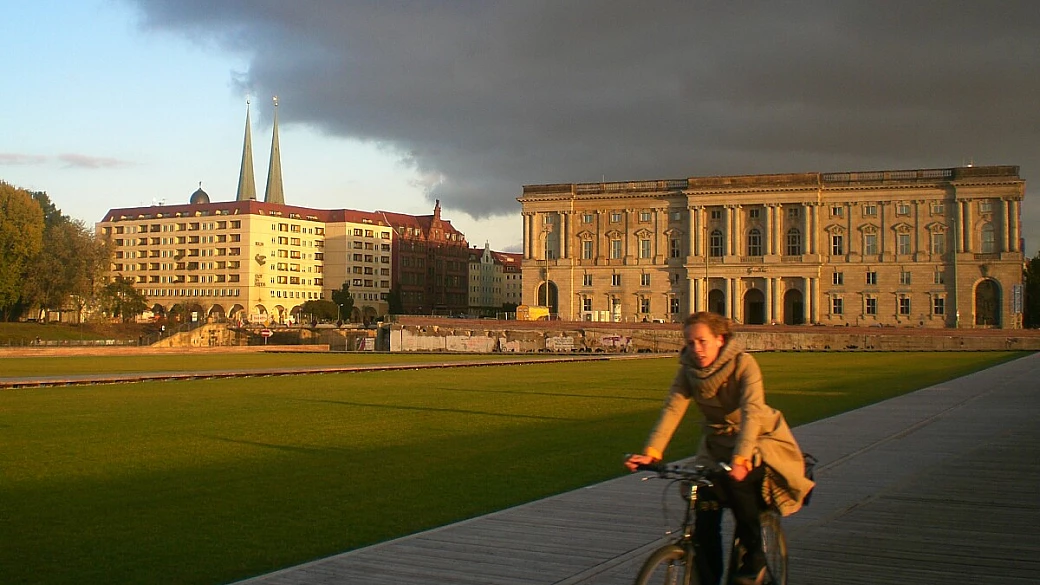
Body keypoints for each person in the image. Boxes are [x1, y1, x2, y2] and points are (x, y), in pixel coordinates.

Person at [625, 311, 814, 585]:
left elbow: (751, 412)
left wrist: (741, 457)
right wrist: (652, 452)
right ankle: (708, 575)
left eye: (702, 341)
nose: (696, 349)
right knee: (704, 506)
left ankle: (754, 557)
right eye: (690, 343)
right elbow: (673, 408)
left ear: (720, 339)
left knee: (739, 487)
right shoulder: (688, 369)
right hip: (716, 443)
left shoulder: (743, 364)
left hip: (759, 440)